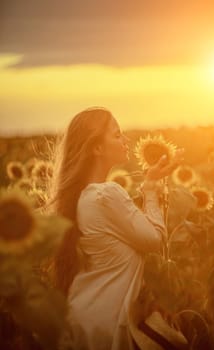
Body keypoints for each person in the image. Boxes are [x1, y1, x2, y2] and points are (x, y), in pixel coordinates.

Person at [46, 107, 183, 350]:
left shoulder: (78, 197)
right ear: (97, 148)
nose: (125, 139)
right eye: (117, 135)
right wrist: (151, 189)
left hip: (84, 317)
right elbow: (154, 240)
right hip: (111, 326)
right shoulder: (106, 194)